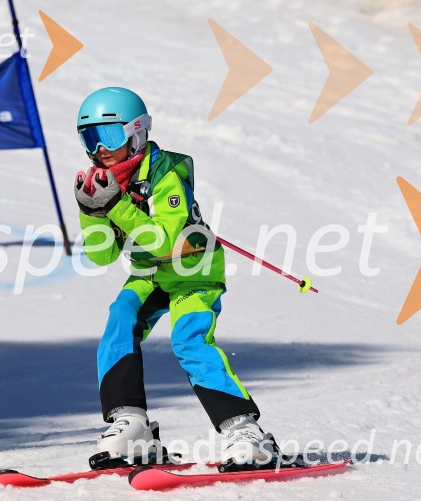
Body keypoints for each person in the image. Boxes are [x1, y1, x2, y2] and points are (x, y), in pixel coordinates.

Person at [73, 87, 276, 469]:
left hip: (191, 272)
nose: (100, 149)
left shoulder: (168, 173)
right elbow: (103, 254)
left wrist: (115, 206)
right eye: (90, 138)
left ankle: (245, 431)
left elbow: (166, 241)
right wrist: (92, 211)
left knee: (188, 339)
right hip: (149, 273)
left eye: (109, 136)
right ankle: (131, 426)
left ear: (137, 132)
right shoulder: (104, 181)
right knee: (121, 318)